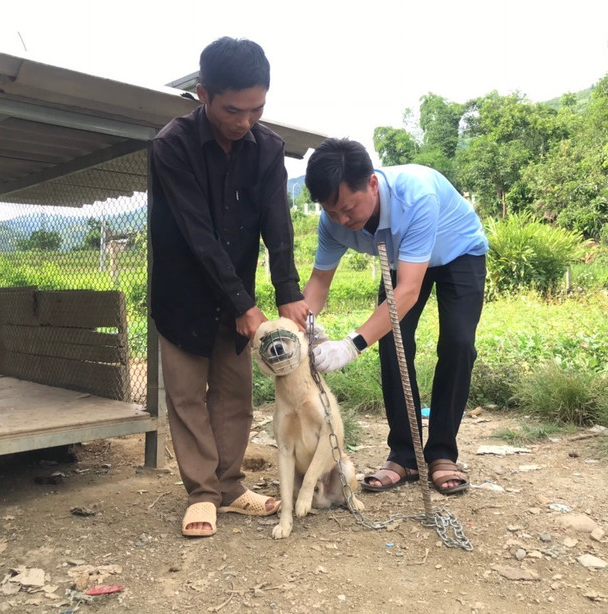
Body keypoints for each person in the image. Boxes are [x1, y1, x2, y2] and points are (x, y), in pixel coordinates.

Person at [149, 37, 309, 537]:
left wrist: (288, 292)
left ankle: (231, 487)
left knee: (235, 393)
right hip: (183, 294)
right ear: (202, 94)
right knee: (187, 395)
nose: (245, 121)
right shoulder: (171, 146)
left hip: (236, 293)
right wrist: (242, 301)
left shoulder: (267, 149)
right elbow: (197, 233)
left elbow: (276, 225)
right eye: (233, 110)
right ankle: (201, 493)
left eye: (257, 108)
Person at [302, 138, 488, 495]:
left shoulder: (415, 196)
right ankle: (404, 455)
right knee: (392, 342)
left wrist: (351, 345)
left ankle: (442, 453)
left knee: (458, 342)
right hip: (400, 262)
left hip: (458, 252)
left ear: (372, 183)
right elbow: (318, 284)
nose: (342, 219)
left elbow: (407, 291)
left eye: (349, 208)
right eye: (331, 211)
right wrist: (301, 326)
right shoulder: (333, 221)